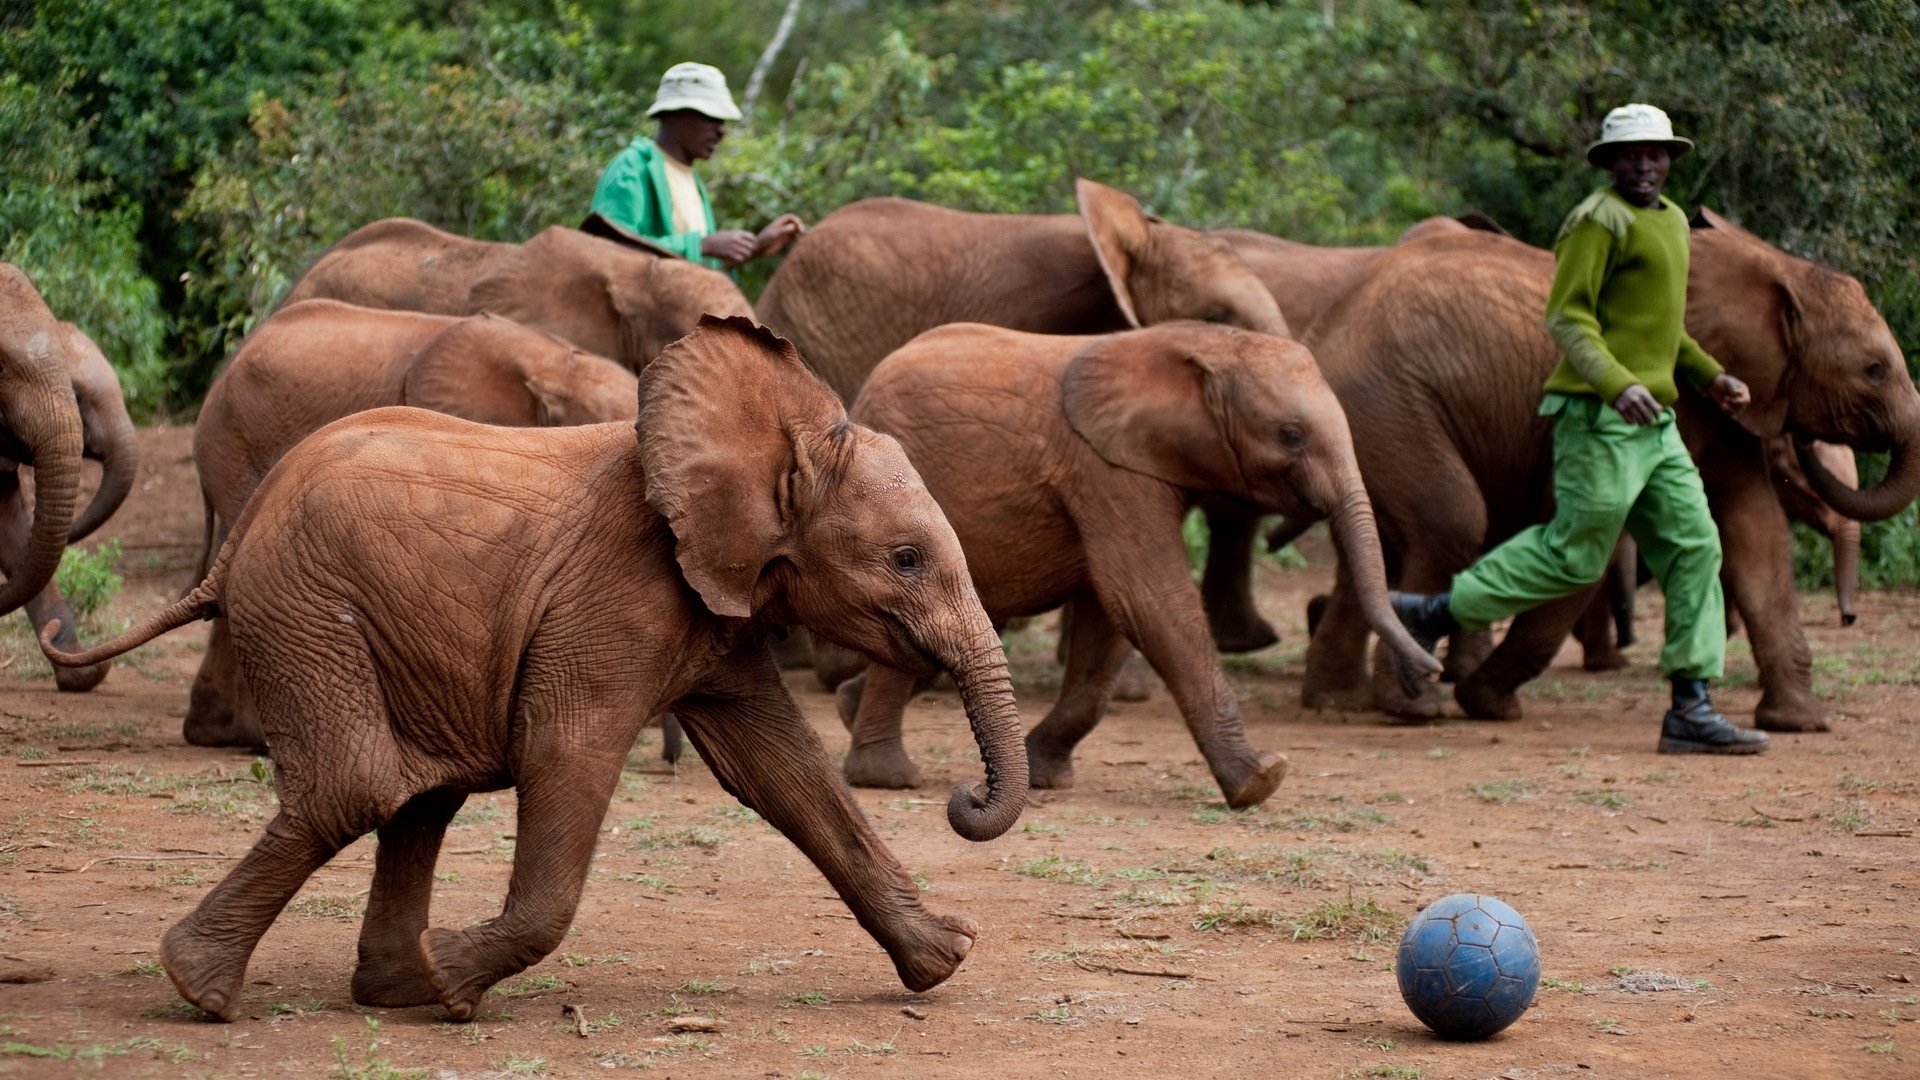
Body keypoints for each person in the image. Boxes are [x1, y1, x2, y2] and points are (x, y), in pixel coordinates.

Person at [1390, 103, 1768, 755]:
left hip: (1658, 424)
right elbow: (1568, 320)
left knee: (1695, 546)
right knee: (1574, 554)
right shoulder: (1597, 222)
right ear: (1609, 162)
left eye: (1655, 154)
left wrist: (1711, 378)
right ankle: (1431, 614)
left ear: (1670, 159)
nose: (1643, 165)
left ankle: (1690, 705)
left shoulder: (1675, 222)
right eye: (1629, 154)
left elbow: (1663, 325)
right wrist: (1615, 384)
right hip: (1600, 418)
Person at [584, 62, 805, 270]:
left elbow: (694, 274)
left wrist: (754, 247)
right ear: (673, 114)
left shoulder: (692, 181)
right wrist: (701, 245)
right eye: (710, 117)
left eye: (723, 121)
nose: (721, 131)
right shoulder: (633, 167)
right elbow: (607, 251)